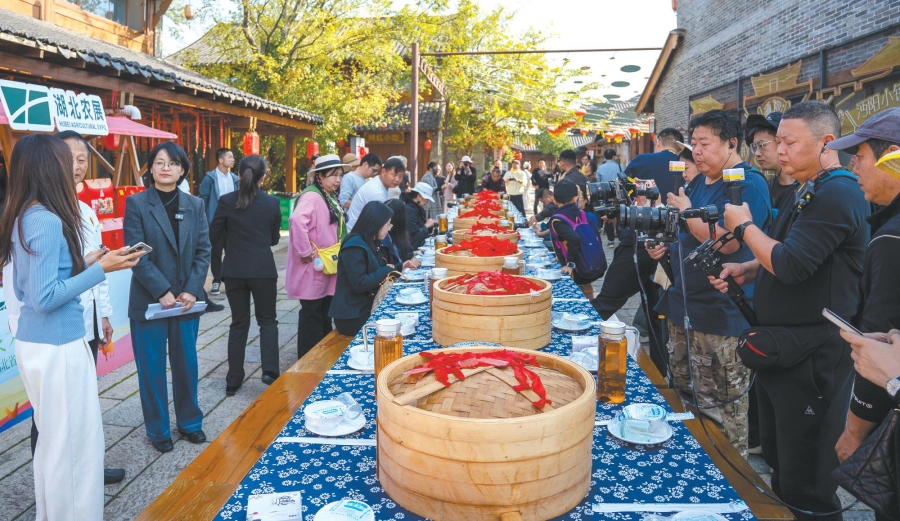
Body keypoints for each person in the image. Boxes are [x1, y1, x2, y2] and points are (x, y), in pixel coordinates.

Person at [714, 101, 870, 520]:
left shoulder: (839, 192)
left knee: (807, 479)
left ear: (827, 142)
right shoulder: (809, 186)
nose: (778, 150)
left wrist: (743, 227)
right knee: (781, 463)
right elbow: (791, 251)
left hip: (814, 355)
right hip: (783, 347)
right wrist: (748, 266)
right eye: (776, 141)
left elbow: (790, 264)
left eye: (788, 141)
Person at [0, 134, 142, 520]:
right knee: (75, 446)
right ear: (50, 167)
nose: (75, 167)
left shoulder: (22, 213)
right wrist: (100, 269)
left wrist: (82, 262)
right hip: (58, 343)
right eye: (68, 160)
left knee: (53, 443)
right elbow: (45, 298)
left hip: (36, 343)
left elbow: (24, 289)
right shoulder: (46, 219)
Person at [649, 110, 772, 457]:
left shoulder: (749, 183)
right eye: (695, 144)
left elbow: (731, 242)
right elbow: (685, 234)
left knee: (725, 413)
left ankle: (735, 490)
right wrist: (662, 246)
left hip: (721, 317)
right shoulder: (702, 180)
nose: (697, 153)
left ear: (731, 143)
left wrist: (687, 214)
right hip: (684, 306)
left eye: (704, 143)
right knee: (686, 402)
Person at [825, 109, 900, 474]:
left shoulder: (891, 238)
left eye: (861, 156)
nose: (853, 166)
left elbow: (879, 349)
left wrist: (854, 432)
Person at [125, 141, 212, 454]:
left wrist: (190, 288)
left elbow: (204, 250)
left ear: (182, 169)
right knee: (151, 368)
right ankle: (158, 429)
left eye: (173, 163)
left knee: (186, 364)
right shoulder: (136, 204)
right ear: (150, 168)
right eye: (159, 162)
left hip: (186, 301)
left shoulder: (195, 205)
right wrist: (162, 291)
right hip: (150, 301)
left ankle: (190, 422)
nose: (165, 168)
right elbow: (136, 253)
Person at [590, 127, 686, 375]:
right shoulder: (685, 165)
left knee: (607, 300)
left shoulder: (644, 160)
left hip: (638, 240)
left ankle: (578, 348)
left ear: (658, 142)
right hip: (671, 248)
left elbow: (619, 194)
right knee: (658, 314)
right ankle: (659, 375)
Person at [209, 154, 282, 397]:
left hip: (235, 269)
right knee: (268, 321)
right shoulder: (271, 203)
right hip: (262, 269)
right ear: (263, 178)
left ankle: (233, 378)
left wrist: (218, 268)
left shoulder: (226, 201)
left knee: (239, 323)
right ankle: (270, 371)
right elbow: (273, 239)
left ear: (238, 175)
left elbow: (215, 234)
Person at [288, 155, 351, 359]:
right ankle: (308, 359)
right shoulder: (312, 196)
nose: (337, 180)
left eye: (340, 175)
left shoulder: (327, 195)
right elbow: (296, 221)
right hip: (313, 265)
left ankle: (321, 357)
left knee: (323, 310)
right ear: (320, 176)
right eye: (333, 175)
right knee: (312, 312)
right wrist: (305, 251)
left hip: (324, 263)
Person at [329, 201, 397, 336]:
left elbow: (377, 269)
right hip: (352, 316)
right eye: (386, 224)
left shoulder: (369, 241)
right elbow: (360, 283)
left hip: (363, 308)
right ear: (376, 223)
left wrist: (396, 267)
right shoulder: (354, 246)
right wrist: (386, 270)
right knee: (393, 329)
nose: (388, 229)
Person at [548, 180, 606, 285]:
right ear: (575, 199)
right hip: (593, 267)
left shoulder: (556, 220)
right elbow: (596, 237)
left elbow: (574, 238)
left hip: (576, 272)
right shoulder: (583, 214)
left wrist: (570, 264)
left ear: (554, 200)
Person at [198, 148, 237, 302]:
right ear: (221, 160)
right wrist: (204, 221)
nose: (232, 159)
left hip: (233, 221)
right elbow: (203, 199)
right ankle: (216, 280)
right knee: (215, 251)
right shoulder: (210, 178)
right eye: (229, 156)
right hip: (215, 221)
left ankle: (230, 279)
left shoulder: (235, 178)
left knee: (232, 251)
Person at [745, 112, 795, 213]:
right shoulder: (765, 188)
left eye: (761, 145)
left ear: (780, 141)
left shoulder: (807, 186)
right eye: (754, 147)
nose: (757, 153)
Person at [346, 156, 406, 229]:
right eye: (394, 175)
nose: (397, 179)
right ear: (383, 171)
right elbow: (380, 224)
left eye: (401, 176)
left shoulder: (382, 183)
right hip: (357, 233)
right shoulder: (376, 192)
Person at [384, 199, 423, 269]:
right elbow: (390, 265)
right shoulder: (384, 236)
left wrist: (413, 253)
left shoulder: (394, 234)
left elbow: (398, 256)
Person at [404, 182, 437, 249]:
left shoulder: (417, 209)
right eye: (427, 199)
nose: (427, 202)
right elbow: (413, 237)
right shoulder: (409, 210)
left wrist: (431, 225)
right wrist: (426, 225)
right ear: (419, 196)